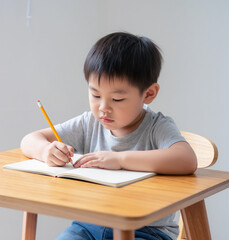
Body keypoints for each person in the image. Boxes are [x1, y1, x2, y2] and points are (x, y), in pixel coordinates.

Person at [20, 32, 197, 240]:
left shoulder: (156, 126)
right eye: (95, 95)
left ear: (148, 94)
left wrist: (120, 160)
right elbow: (29, 140)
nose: (103, 108)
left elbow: (186, 160)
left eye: (117, 99)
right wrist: (45, 150)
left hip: (146, 230)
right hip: (88, 225)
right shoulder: (89, 123)